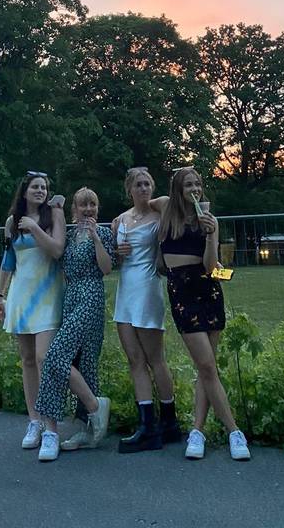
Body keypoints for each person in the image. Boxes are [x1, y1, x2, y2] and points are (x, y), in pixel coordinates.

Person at [156, 167, 251, 461]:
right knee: (207, 366)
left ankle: (197, 431)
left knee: (206, 368)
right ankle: (234, 430)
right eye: (188, 185)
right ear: (178, 190)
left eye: (197, 184)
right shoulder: (167, 214)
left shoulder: (210, 220)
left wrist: (210, 235)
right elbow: (145, 202)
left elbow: (212, 267)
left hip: (208, 292)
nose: (195, 189)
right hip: (182, 296)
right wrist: (122, 218)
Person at [34, 187, 115, 461]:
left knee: (55, 356)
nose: (88, 209)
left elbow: (106, 268)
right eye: (83, 205)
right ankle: (85, 429)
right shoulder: (68, 237)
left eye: (93, 204)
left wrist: (96, 239)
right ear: (75, 210)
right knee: (81, 362)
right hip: (70, 298)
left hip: (91, 297)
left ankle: (94, 406)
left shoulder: (103, 233)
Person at [0, 171, 66, 451]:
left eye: (44, 187)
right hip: (21, 296)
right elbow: (8, 260)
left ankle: (51, 428)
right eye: (35, 187)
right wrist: (0, 295)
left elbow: (57, 250)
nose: (40, 191)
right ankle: (34, 420)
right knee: (28, 359)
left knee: (45, 357)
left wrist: (34, 228)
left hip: (48, 296)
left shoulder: (53, 216)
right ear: (24, 191)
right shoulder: (12, 222)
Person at [111, 167, 182, 453]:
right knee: (134, 359)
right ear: (128, 189)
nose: (143, 188)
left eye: (147, 184)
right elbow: (117, 260)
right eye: (138, 185)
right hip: (125, 289)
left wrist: (150, 201)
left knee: (156, 358)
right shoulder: (121, 220)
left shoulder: (159, 212)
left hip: (147, 286)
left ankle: (170, 421)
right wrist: (118, 253)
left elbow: (170, 202)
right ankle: (146, 424)